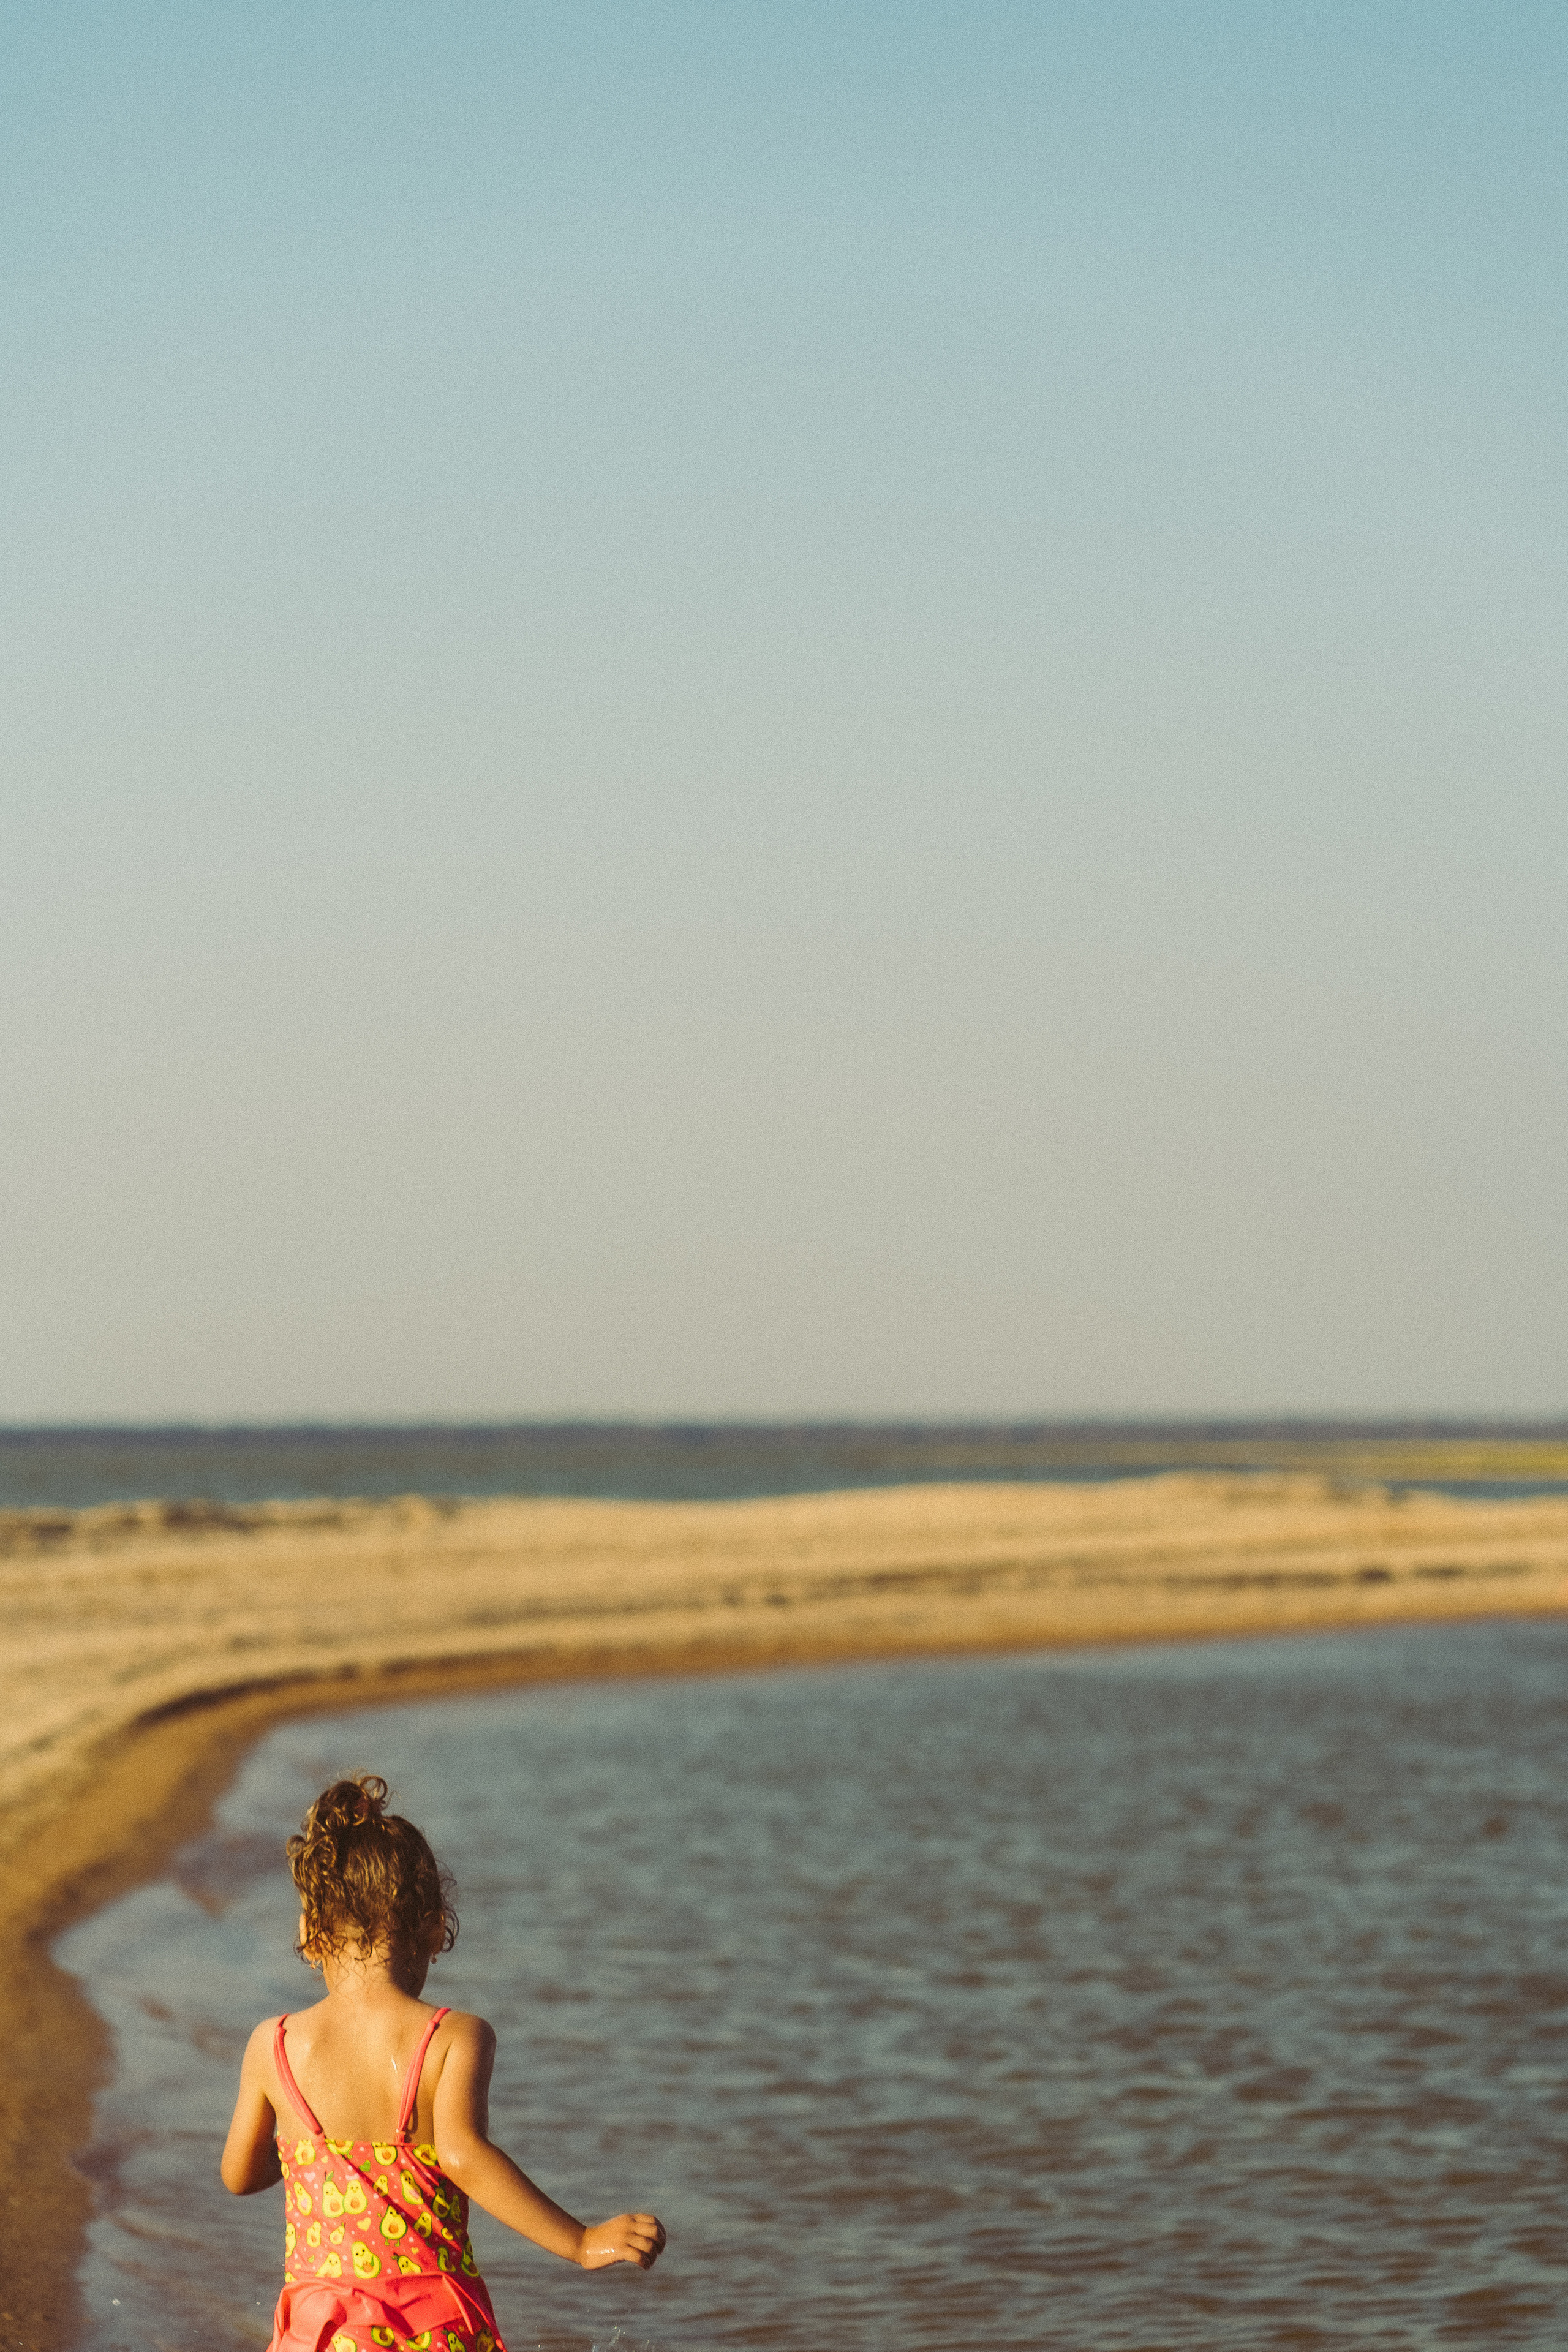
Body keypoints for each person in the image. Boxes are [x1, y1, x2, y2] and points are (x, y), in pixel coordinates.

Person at [221, 1773, 666, 2352]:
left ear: (309, 1932)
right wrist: (580, 2242)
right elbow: (463, 2155)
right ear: (434, 1929)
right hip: (429, 2329)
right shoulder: (452, 2038)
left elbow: (239, 2175)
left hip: (320, 2333)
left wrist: (309, 2147)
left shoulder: (273, 2044)